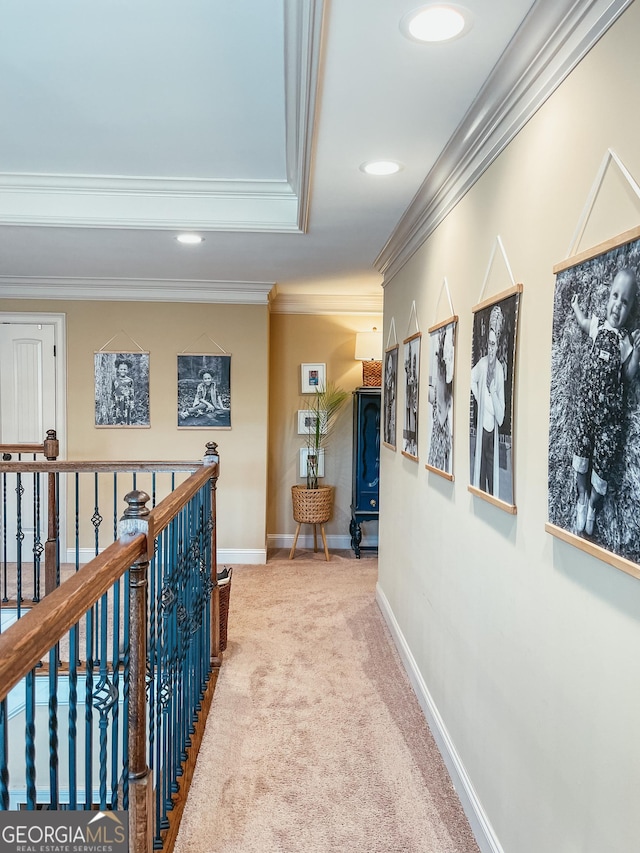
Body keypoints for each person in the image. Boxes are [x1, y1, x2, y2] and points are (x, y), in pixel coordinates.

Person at [570, 267, 640, 536]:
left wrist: (635, 354)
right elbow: (583, 322)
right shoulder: (598, 326)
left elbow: (629, 375)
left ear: (631, 308)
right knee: (581, 452)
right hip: (587, 411)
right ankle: (581, 497)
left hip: (609, 421)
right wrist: (577, 309)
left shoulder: (625, 341)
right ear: (608, 295)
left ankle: (594, 505)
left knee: (603, 463)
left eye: (625, 302)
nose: (617, 306)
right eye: (615, 296)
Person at [470, 305, 505, 496]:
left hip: (492, 429)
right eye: (489, 344)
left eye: (494, 344)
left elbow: (501, 415)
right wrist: (480, 395)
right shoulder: (482, 363)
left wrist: (490, 399)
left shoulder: (499, 370)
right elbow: (470, 378)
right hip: (482, 427)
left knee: (491, 469)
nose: (491, 348)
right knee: (481, 468)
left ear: (498, 346)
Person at [427, 323, 454, 473]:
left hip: (441, 427)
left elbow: (442, 412)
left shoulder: (443, 376)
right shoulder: (440, 378)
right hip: (440, 427)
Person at [112, 358, 135, 425]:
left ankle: (126, 428)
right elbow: (113, 392)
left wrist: (132, 403)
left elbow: (132, 393)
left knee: (126, 416)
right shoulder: (115, 380)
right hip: (117, 402)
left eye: (125, 369)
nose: (123, 371)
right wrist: (113, 402)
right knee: (118, 416)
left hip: (126, 401)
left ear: (127, 370)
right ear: (118, 370)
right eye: (121, 369)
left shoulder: (130, 380)